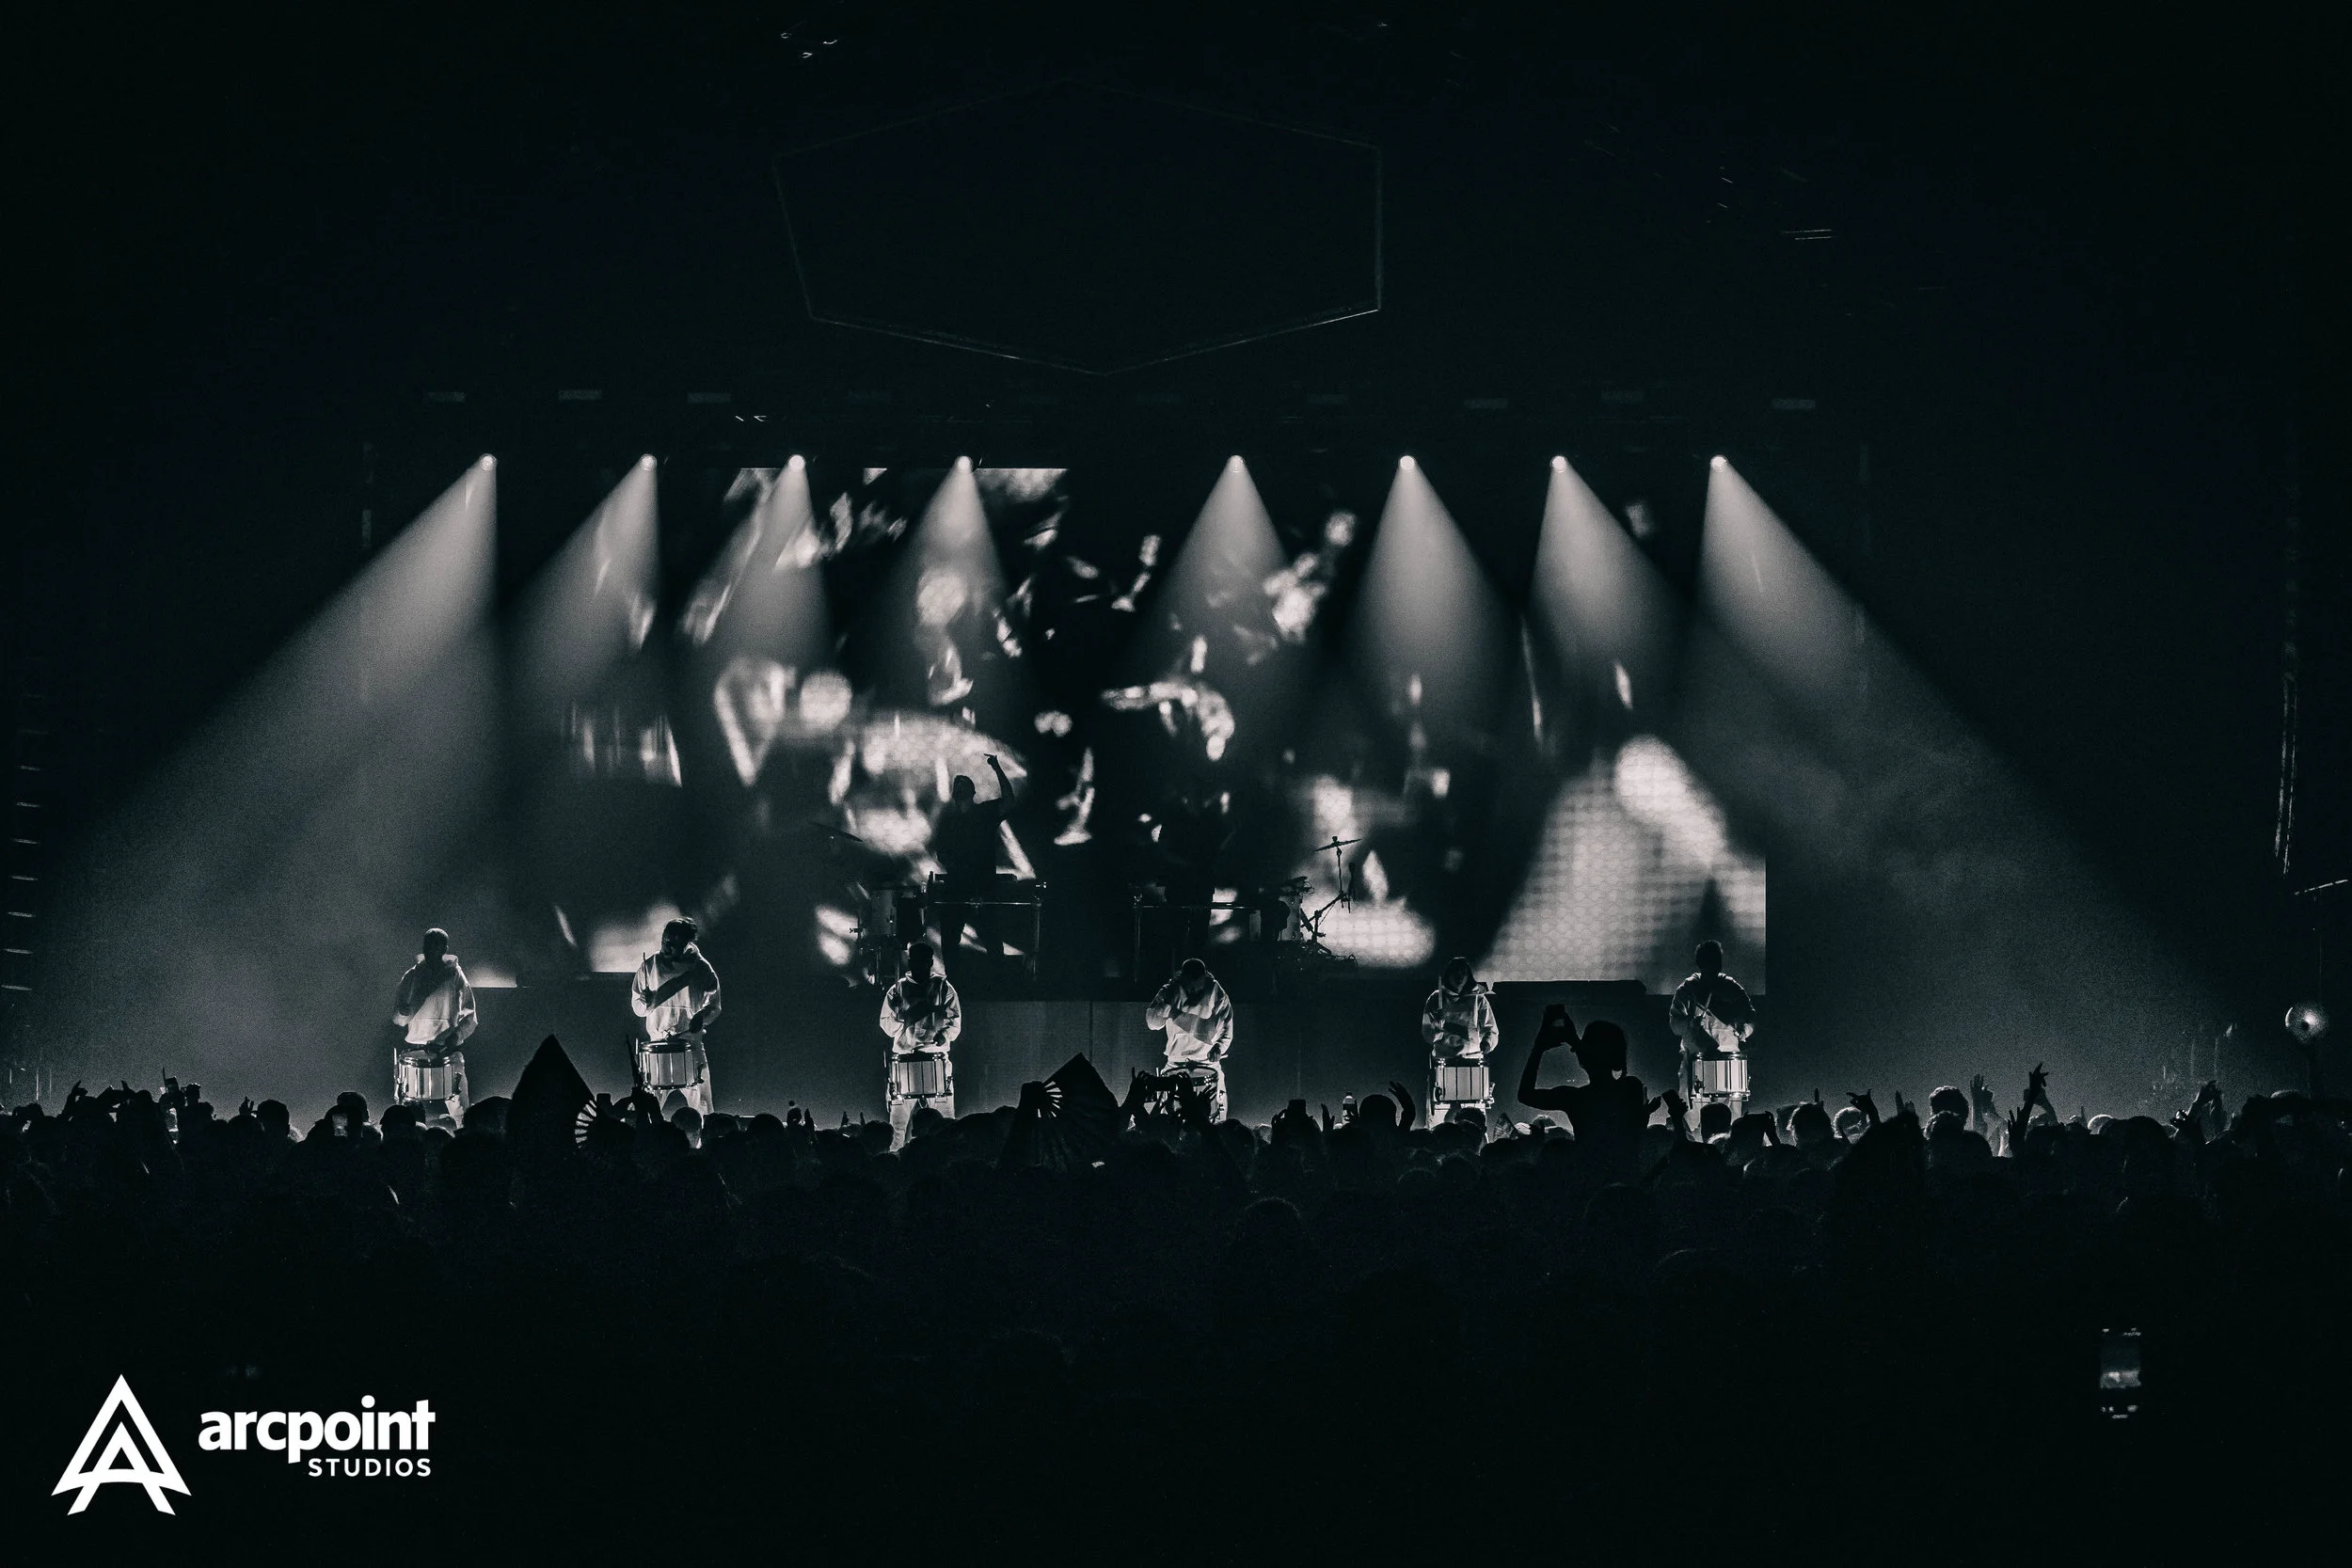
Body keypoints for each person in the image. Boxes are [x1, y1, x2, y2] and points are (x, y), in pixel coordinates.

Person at [1518, 1005, 1653, 1180]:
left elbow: (1525, 1095)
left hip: (1589, 1182)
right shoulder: (1631, 1087)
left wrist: (1539, 1048)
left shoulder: (1576, 1098)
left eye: (1585, 1042)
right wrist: (1576, 1041)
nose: (1576, 1050)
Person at [631, 916, 721, 1117]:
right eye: (665, 940)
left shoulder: (702, 968)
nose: (667, 945)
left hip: (690, 1046)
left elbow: (715, 1005)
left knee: (703, 1105)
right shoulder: (649, 966)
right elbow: (637, 1008)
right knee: (647, 1108)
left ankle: (704, 1143)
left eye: (674, 942)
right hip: (657, 1047)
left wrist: (702, 1017)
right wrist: (645, 1002)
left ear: (686, 942)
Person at [932, 754, 1017, 962]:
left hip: (983, 885)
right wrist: (955, 866)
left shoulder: (985, 812)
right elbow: (941, 852)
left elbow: (1008, 801)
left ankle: (997, 984)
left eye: (963, 784)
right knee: (950, 939)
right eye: (957, 784)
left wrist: (997, 768)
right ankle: (953, 983)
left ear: (972, 792)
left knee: (990, 936)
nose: (959, 786)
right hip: (957, 887)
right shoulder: (948, 822)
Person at [389, 927, 476, 1126]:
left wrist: (455, 1037)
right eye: (428, 944)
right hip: (415, 1051)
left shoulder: (455, 976)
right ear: (424, 946)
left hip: (447, 1053)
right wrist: (401, 1013)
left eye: (437, 944)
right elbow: (398, 1019)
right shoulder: (412, 976)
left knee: (461, 1112)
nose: (432, 949)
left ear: (445, 948)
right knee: (407, 1113)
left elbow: (470, 1016)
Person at [880, 939, 961, 1143]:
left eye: (924, 961)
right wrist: (899, 1013)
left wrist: (943, 1036)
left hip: (936, 1058)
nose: (920, 965)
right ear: (910, 962)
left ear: (931, 961)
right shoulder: (897, 991)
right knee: (897, 1126)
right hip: (905, 1060)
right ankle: (894, 1160)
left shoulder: (944, 988)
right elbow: (887, 1028)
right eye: (916, 961)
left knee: (944, 1123)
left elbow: (955, 1022)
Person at [1145, 957, 1233, 1121]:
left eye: (1197, 988)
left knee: (1216, 1118)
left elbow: (1226, 1028)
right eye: (1189, 988)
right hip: (1175, 1063)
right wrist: (1167, 1005)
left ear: (1204, 978)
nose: (1193, 992)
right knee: (1171, 1118)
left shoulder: (1216, 993)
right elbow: (1152, 1023)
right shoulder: (1170, 990)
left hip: (1207, 1064)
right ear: (1182, 978)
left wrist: (1219, 1047)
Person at [1667, 940, 1755, 1103]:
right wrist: (1689, 1023)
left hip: (1728, 1060)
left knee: (1728, 1114)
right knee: (1693, 1110)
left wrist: (1745, 1030)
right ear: (1701, 964)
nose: (1715, 966)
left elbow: (1751, 1016)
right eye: (1710, 961)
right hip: (1696, 1059)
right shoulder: (1688, 989)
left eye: (1716, 961)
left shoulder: (1732, 987)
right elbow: (1675, 1023)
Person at [1421, 956, 1498, 1130]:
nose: (1460, 976)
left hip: (1472, 1062)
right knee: (1440, 1115)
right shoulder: (1435, 998)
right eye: (1456, 972)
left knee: (1474, 1116)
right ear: (1448, 975)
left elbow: (1490, 1029)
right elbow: (1427, 1032)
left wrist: (1487, 1043)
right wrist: (1438, 1027)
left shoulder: (1479, 999)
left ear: (1468, 975)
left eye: (1464, 972)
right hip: (1444, 1062)